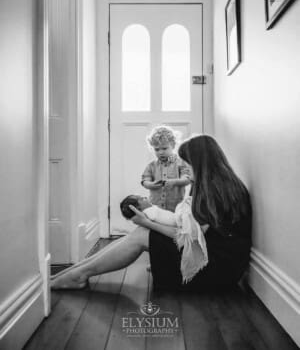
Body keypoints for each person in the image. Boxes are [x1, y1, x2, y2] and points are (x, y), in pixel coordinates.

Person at [51, 135, 252, 292]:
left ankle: (78, 275)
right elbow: (187, 226)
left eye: (187, 163)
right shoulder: (214, 184)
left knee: (141, 234)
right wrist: (148, 218)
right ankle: (74, 272)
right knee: (140, 232)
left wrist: (146, 223)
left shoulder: (215, 191)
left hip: (218, 269)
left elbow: (186, 237)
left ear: (200, 163)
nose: (184, 167)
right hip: (213, 256)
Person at [141, 125, 192, 212]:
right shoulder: (151, 166)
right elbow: (145, 180)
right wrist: (150, 184)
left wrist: (174, 182)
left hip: (175, 208)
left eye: (164, 148)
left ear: (173, 145)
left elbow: (187, 179)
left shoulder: (180, 163)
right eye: (157, 149)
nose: (161, 152)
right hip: (155, 206)